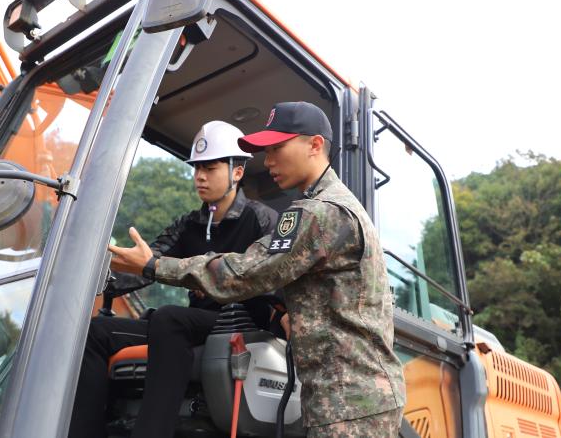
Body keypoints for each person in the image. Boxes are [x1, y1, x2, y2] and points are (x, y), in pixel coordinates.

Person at [110, 101, 407, 437]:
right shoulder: (334, 206)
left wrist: (152, 266)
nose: (267, 162)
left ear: (315, 145)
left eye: (277, 148)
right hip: (347, 398)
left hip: (350, 401)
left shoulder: (319, 213)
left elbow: (245, 273)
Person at [69, 121, 278, 438]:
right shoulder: (189, 223)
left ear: (237, 172)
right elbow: (149, 261)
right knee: (96, 331)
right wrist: (103, 273)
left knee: (169, 318)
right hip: (193, 322)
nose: (200, 177)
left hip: (241, 321)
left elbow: (272, 277)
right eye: (197, 169)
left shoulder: (262, 218)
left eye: (210, 167)